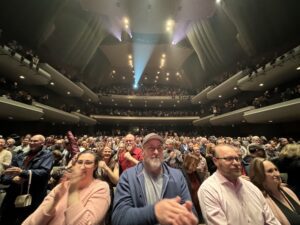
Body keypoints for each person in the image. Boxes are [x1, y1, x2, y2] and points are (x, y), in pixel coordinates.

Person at [112, 133, 198, 225]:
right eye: (151, 148)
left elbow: (191, 211)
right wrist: (154, 212)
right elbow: (119, 217)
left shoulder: (177, 176)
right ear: (143, 152)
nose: (156, 152)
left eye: (159, 148)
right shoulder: (128, 177)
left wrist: (187, 217)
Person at [198, 144, 281, 225]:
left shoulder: (250, 186)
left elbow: (271, 220)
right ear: (215, 161)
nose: (236, 163)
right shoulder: (208, 189)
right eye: (229, 159)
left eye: (237, 159)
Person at [22, 150, 111, 225]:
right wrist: (54, 202)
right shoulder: (63, 185)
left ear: (95, 166)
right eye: (79, 162)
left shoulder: (101, 187)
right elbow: (33, 221)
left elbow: (86, 222)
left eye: (88, 163)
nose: (82, 167)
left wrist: (73, 189)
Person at [0, 134, 53, 225]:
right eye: (31, 141)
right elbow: (8, 173)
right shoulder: (21, 154)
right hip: (14, 192)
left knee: (25, 220)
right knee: (5, 218)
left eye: (35, 141)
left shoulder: (47, 155)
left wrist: (23, 173)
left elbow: (44, 172)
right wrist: (13, 179)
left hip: (32, 194)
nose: (32, 143)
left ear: (42, 143)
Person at [250, 158, 300, 225]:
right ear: (260, 176)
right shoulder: (261, 200)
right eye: (270, 171)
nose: (277, 174)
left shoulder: (287, 190)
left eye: (276, 169)